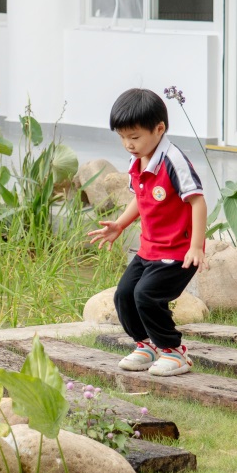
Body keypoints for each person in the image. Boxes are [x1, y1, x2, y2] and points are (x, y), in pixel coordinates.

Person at [86, 87, 208, 377]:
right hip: (149, 249)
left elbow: (198, 202)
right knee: (124, 294)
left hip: (178, 251)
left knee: (147, 295)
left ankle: (174, 352)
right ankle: (146, 345)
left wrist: (196, 246)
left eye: (134, 137)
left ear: (159, 129)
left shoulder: (173, 161)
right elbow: (140, 199)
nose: (128, 144)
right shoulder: (138, 159)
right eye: (122, 137)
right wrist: (120, 224)